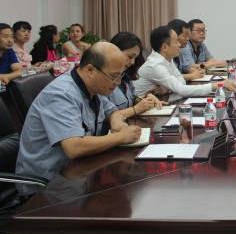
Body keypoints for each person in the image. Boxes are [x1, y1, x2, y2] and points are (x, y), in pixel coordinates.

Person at [15, 42, 142, 186]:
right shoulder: (62, 94)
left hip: (78, 173)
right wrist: (120, 137)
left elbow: (113, 111)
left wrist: (117, 122)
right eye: (114, 76)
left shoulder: (92, 86)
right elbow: (74, 147)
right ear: (90, 70)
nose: (118, 82)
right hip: (46, 184)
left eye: (120, 76)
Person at [134, 26, 236, 101]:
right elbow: (181, 89)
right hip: (138, 111)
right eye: (176, 42)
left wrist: (167, 89)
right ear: (165, 47)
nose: (179, 44)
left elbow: (181, 82)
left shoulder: (167, 59)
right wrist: (218, 85)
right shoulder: (155, 66)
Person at [105, 32, 164, 119]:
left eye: (135, 58)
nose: (132, 62)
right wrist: (135, 109)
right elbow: (106, 115)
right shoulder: (103, 79)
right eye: (130, 56)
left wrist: (145, 100)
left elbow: (133, 98)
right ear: (115, 51)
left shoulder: (126, 75)